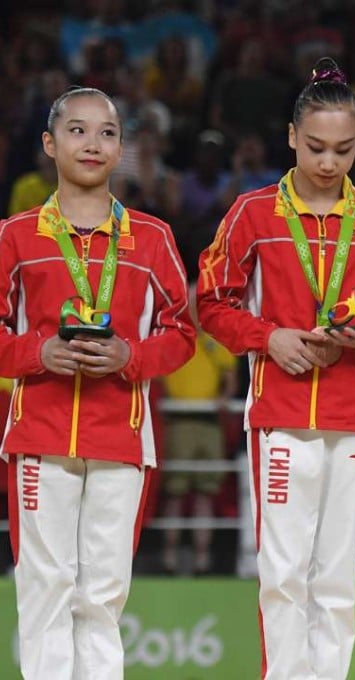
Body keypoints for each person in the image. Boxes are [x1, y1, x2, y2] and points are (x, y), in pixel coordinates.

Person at [196, 57, 355, 680]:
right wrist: (271, 339)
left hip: (351, 416)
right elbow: (211, 302)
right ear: (291, 137)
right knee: (284, 574)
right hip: (281, 415)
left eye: (344, 149)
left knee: (336, 578)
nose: (328, 162)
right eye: (315, 146)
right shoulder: (253, 212)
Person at [0, 86, 195, 679]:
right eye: (78, 130)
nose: (93, 143)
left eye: (107, 132)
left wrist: (129, 356)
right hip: (39, 433)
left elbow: (182, 333)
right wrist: (38, 352)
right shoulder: (16, 235)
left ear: (121, 149)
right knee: (46, 586)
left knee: (103, 595)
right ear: (49, 143)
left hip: (121, 435)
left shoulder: (153, 238)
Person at [160, 282, 239, 575]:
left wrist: (223, 398)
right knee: (176, 490)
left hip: (208, 423)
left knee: (207, 490)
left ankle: (202, 558)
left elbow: (231, 378)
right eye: (191, 301)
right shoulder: (173, 337)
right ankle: (169, 558)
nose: (195, 307)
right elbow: (158, 375)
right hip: (178, 421)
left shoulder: (215, 341)